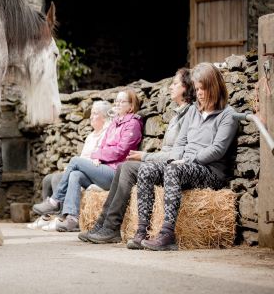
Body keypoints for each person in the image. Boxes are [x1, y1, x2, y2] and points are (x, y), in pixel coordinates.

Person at [129, 62, 238, 251]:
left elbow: (218, 149)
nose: (200, 93)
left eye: (203, 88)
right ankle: (141, 232)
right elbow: (180, 142)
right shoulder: (194, 111)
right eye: (197, 89)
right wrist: (176, 159)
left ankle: (167, 234)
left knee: (173, 169)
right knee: (147, 170)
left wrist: (186, 161)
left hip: (210, 172)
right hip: (184, 167)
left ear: (214, 87)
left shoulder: (228, 115)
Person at [79, 68, 196, 244]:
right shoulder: (176, 115)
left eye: (175, 83)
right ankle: (102, 224)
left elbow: (177, 154)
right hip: (161, 162)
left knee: (125, 167)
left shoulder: (190, 114)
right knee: (123, 167)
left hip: (173, 166)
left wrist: (146, 156)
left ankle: (111, 227)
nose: (170, 87)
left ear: (186, 87)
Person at [33, 89, 143, 232]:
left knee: (75, 161)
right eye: (116, 100)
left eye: (122, 101)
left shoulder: (133, 124)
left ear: (131, 106)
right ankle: (72, 219)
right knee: (75, 175)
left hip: (116, 172)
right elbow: (102, 145)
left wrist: (99, 156)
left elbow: (121, 150)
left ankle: (55, 201)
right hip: (104, 168)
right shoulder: (114, 123)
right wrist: (98, 156)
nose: (117, 103)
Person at [27, 100, 111, 230]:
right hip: (85, 168)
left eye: (94, 113)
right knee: (47, 179)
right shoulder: (90, 136)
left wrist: (78, 164)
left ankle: (59, 214)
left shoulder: (107, 133)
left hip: (95, 172)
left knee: (57, 178)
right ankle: (47, 215)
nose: (90, 116)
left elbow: (100, 158)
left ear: (104, 117)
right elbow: (84, 157)